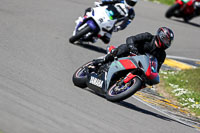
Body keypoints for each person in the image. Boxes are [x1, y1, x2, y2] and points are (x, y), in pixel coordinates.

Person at [93, 27, 174, 72]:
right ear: (161, 36)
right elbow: (131, 38)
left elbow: (157, 69)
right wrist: (132, 47)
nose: (167, 42)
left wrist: (154, 74)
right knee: (124, 48)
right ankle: (103, 60)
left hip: (139, 65)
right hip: (131, 53)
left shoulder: (162, 54)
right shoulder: (148, 37)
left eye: (169, 41)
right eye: (166, 40)